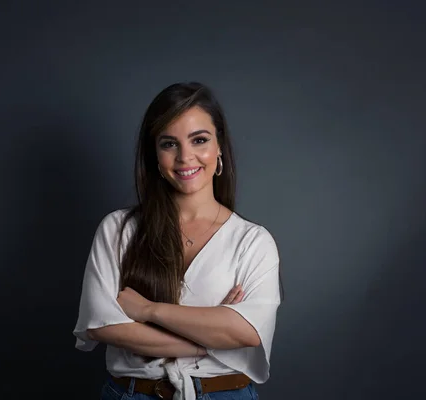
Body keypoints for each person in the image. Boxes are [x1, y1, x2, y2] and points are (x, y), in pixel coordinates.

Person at [73, 82, 281, 400]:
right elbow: (103, 325)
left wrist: (147, 310)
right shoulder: (119, 229)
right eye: (170, 144)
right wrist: (209, 339)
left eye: (199, 140)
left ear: (219, 147)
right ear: (155, 154)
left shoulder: (252, 242)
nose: (185, 157)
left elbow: (247, 332)